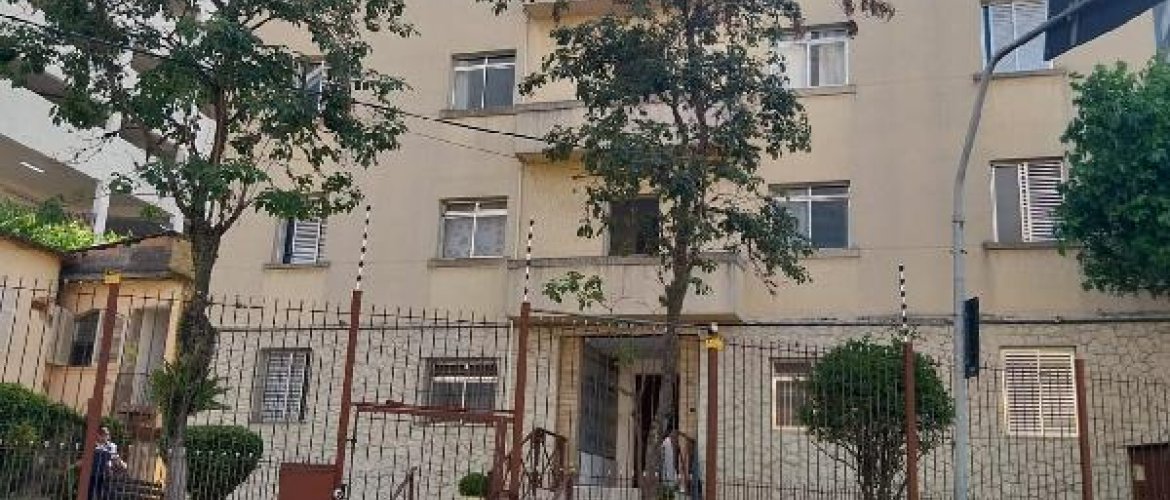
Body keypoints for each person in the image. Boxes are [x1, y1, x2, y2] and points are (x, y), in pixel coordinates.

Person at [88, 426, 128, 499]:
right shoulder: (92, 445)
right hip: (92, 473)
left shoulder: (111, 446)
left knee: (102, 494)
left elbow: (115, 457)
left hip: (104, 474)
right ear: (98, 435)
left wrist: (123, 464)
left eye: (107, 435)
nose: (106, 437)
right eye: (103, 435)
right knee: (89, 493)